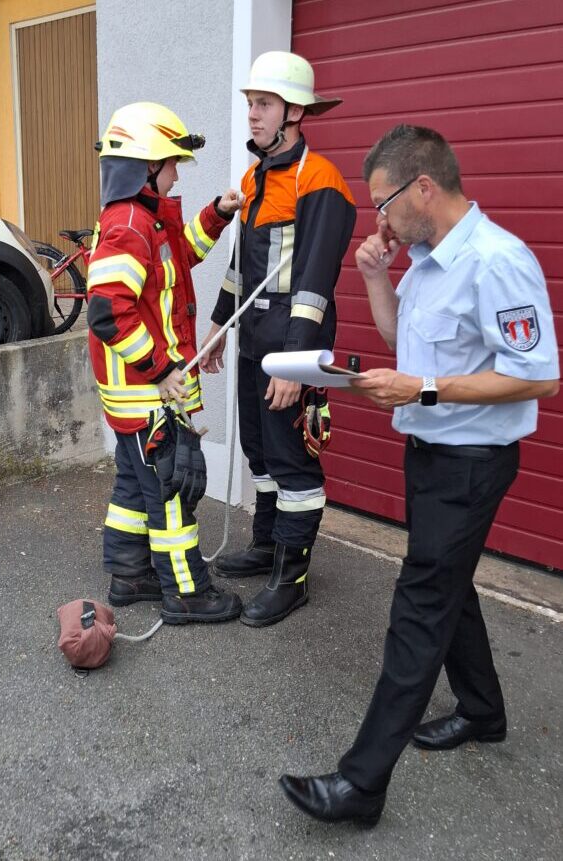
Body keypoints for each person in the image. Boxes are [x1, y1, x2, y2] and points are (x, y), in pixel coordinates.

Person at [279, 124, 560, 823]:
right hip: (428, 454)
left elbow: (539, 378)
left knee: (420, 603)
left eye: (383, 201)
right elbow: (397, 341)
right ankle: (481, 710)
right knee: (447, 579)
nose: (378, 218)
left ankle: (360, 782)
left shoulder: (496, 261)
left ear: (423, 188)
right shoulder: (427, 258)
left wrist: (425, 389)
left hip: (469, 463)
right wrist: (375, 277)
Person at [200, 51, 357, 627]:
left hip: (290, 349)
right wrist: (219, 328)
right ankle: (266, 547)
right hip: (251, 344)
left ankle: (291, 579)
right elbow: (244, 267)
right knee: (260, 455)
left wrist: (293, 366)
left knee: (293, 465)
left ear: (295, 111)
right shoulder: (254, 178)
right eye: (250, 104)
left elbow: (315, 281)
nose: (253, 115)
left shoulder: (321, 180)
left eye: (262, 105)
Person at [87, 101, 243, 625]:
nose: (178, 171)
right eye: (172, 161)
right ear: (146, 166)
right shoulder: (130, 223)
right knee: (173, 495)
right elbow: (108, 313)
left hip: (137, 396)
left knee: (136, 487)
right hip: (148, 393)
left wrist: (217, 214)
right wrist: (159, 369)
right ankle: (187, 592)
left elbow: (183, 254)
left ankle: (129, 576)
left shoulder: (144, 219)